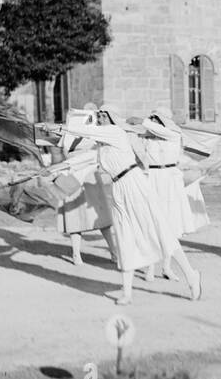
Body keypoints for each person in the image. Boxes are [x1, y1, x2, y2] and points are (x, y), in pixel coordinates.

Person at [60, 103, 197, 305]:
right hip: (118, 189)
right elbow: (87, 160)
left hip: (134, 183)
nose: (100, 118)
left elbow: (86, 130)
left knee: (159, 230)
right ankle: (127, 292)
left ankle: (191, 275)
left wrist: (60, 127)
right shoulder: (103, 144)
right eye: (98, 115)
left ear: (111, 117)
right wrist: (58, 168)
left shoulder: (115, 132)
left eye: (103, 115)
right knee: (125, 238)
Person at [133, 108, 204, 288]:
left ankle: (166, 267)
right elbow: (138, 148)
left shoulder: (173, 133)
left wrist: (141, 122)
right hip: (152, 178)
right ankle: (150, 267)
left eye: (156, 119)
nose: (153, 122)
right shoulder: (146, 136)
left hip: (169, 180)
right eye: (152, 119)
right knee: (152, 223)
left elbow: (152, 129)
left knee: (169, 224)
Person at [57, 104, 116, 267]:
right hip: (74, 172)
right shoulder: (71, 132)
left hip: (90, 174)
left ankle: (113, 252)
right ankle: (76, 253)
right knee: (74, 214)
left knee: (101, 215)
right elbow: (65, 150)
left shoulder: (97, 131)